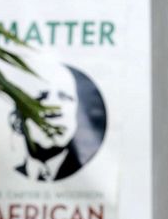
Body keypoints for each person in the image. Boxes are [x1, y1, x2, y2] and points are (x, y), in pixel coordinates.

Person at [8, 52, 107, 181]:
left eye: (65, 97)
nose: (53, 109)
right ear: (17, 116)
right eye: (41, 97)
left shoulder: (94, 178)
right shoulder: (0, 174)